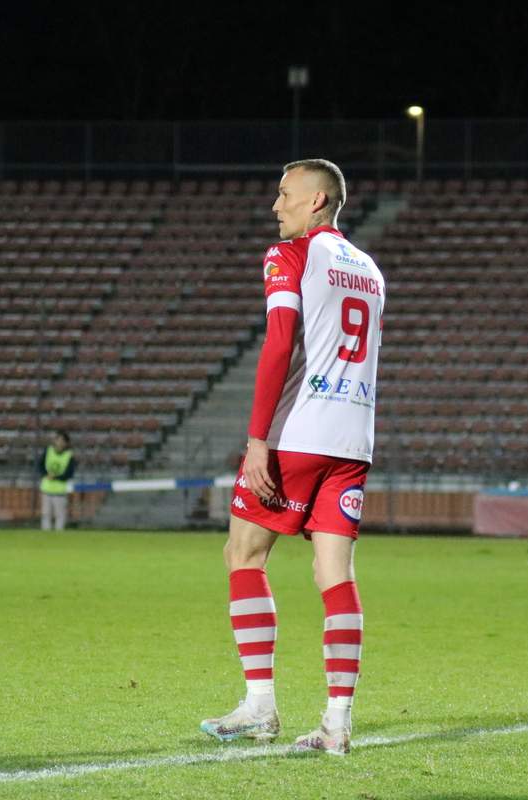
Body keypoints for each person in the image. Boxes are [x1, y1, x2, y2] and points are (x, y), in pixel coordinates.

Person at [199, 158, 385, 756]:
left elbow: (280, 341)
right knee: (335, 575)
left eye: (284, 194)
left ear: (317, 201)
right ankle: (337, 721)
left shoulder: (292, 255)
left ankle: (259, 705)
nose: (275, 205)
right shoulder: (370, 268)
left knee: (243, 552)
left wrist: (257, 438)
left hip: (298, 437)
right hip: (354, 440)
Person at [37, 430, 76, 530]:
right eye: (58, 440)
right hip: (46, 489)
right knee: (46, 514)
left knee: (60, 516)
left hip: (60, 491)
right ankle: (46, 534)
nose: (59, 443)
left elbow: (69, 473)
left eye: (62, 441)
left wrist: (56, 477)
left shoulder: (69, 456)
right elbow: (39, 465)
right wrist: (46, 474)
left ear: (66, 443)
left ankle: (59, 535)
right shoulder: (48, 451)